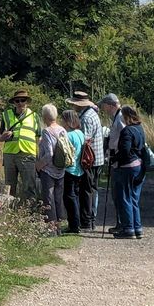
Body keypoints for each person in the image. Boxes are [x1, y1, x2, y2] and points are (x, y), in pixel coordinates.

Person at [67, 91, 103, 229]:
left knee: (87, 190)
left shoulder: (86, 117)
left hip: (90, 160)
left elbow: (85, 140)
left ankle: (88, 220)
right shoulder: (91, 113)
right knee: (92, 189)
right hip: (96, 158)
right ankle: (89, 219)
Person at [0, 89, 40, 202]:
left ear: (27, 101)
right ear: (14, 102)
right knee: (9, 186)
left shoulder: (34, 116)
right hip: (10, 155)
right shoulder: (6, 115)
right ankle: (9, 210)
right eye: (17, 101)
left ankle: (30, 212)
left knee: (29, 185)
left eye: (23, 100)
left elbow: (38, 137)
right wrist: (4, 136)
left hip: (28, 154)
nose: (20, 103)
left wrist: (38, 157)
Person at [113, 105, 147, 239]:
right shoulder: (140, 128)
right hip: (138, 165)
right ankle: (137, 228)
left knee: (125, 198)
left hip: (127, 167)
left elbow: (125, 151)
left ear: (126, 116)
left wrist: (114, 159)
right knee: (134, 198)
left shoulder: (127, 131)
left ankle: (128, 229)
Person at [35, 104, 68, 233]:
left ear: (44, 117)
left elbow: (49, 154)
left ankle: (51, 228)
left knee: (48, 198)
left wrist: (39, 165)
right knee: (58, 198)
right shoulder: (62, 130)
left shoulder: (47, 131)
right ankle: (59, 226)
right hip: (61, 169)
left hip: (48, 170)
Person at [99, 93, 124, 230]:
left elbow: (124, 137)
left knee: (118, 194)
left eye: (104, 106)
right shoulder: (117, 117)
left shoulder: (120, 118)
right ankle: (120, 223)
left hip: (119, 160)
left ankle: (122, 223)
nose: (104, 109)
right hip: (116, 159)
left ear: (110, 105)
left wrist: (114, 153)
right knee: (117, 194)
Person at [59, 109, 85, 234]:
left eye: (62, 119)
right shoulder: (80, 133)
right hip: (79, 169)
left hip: (70, 169)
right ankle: (76, 223)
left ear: (67, 121)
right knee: (75, 196)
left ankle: (74, 225)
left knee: (69, 198)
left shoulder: (68, 135)